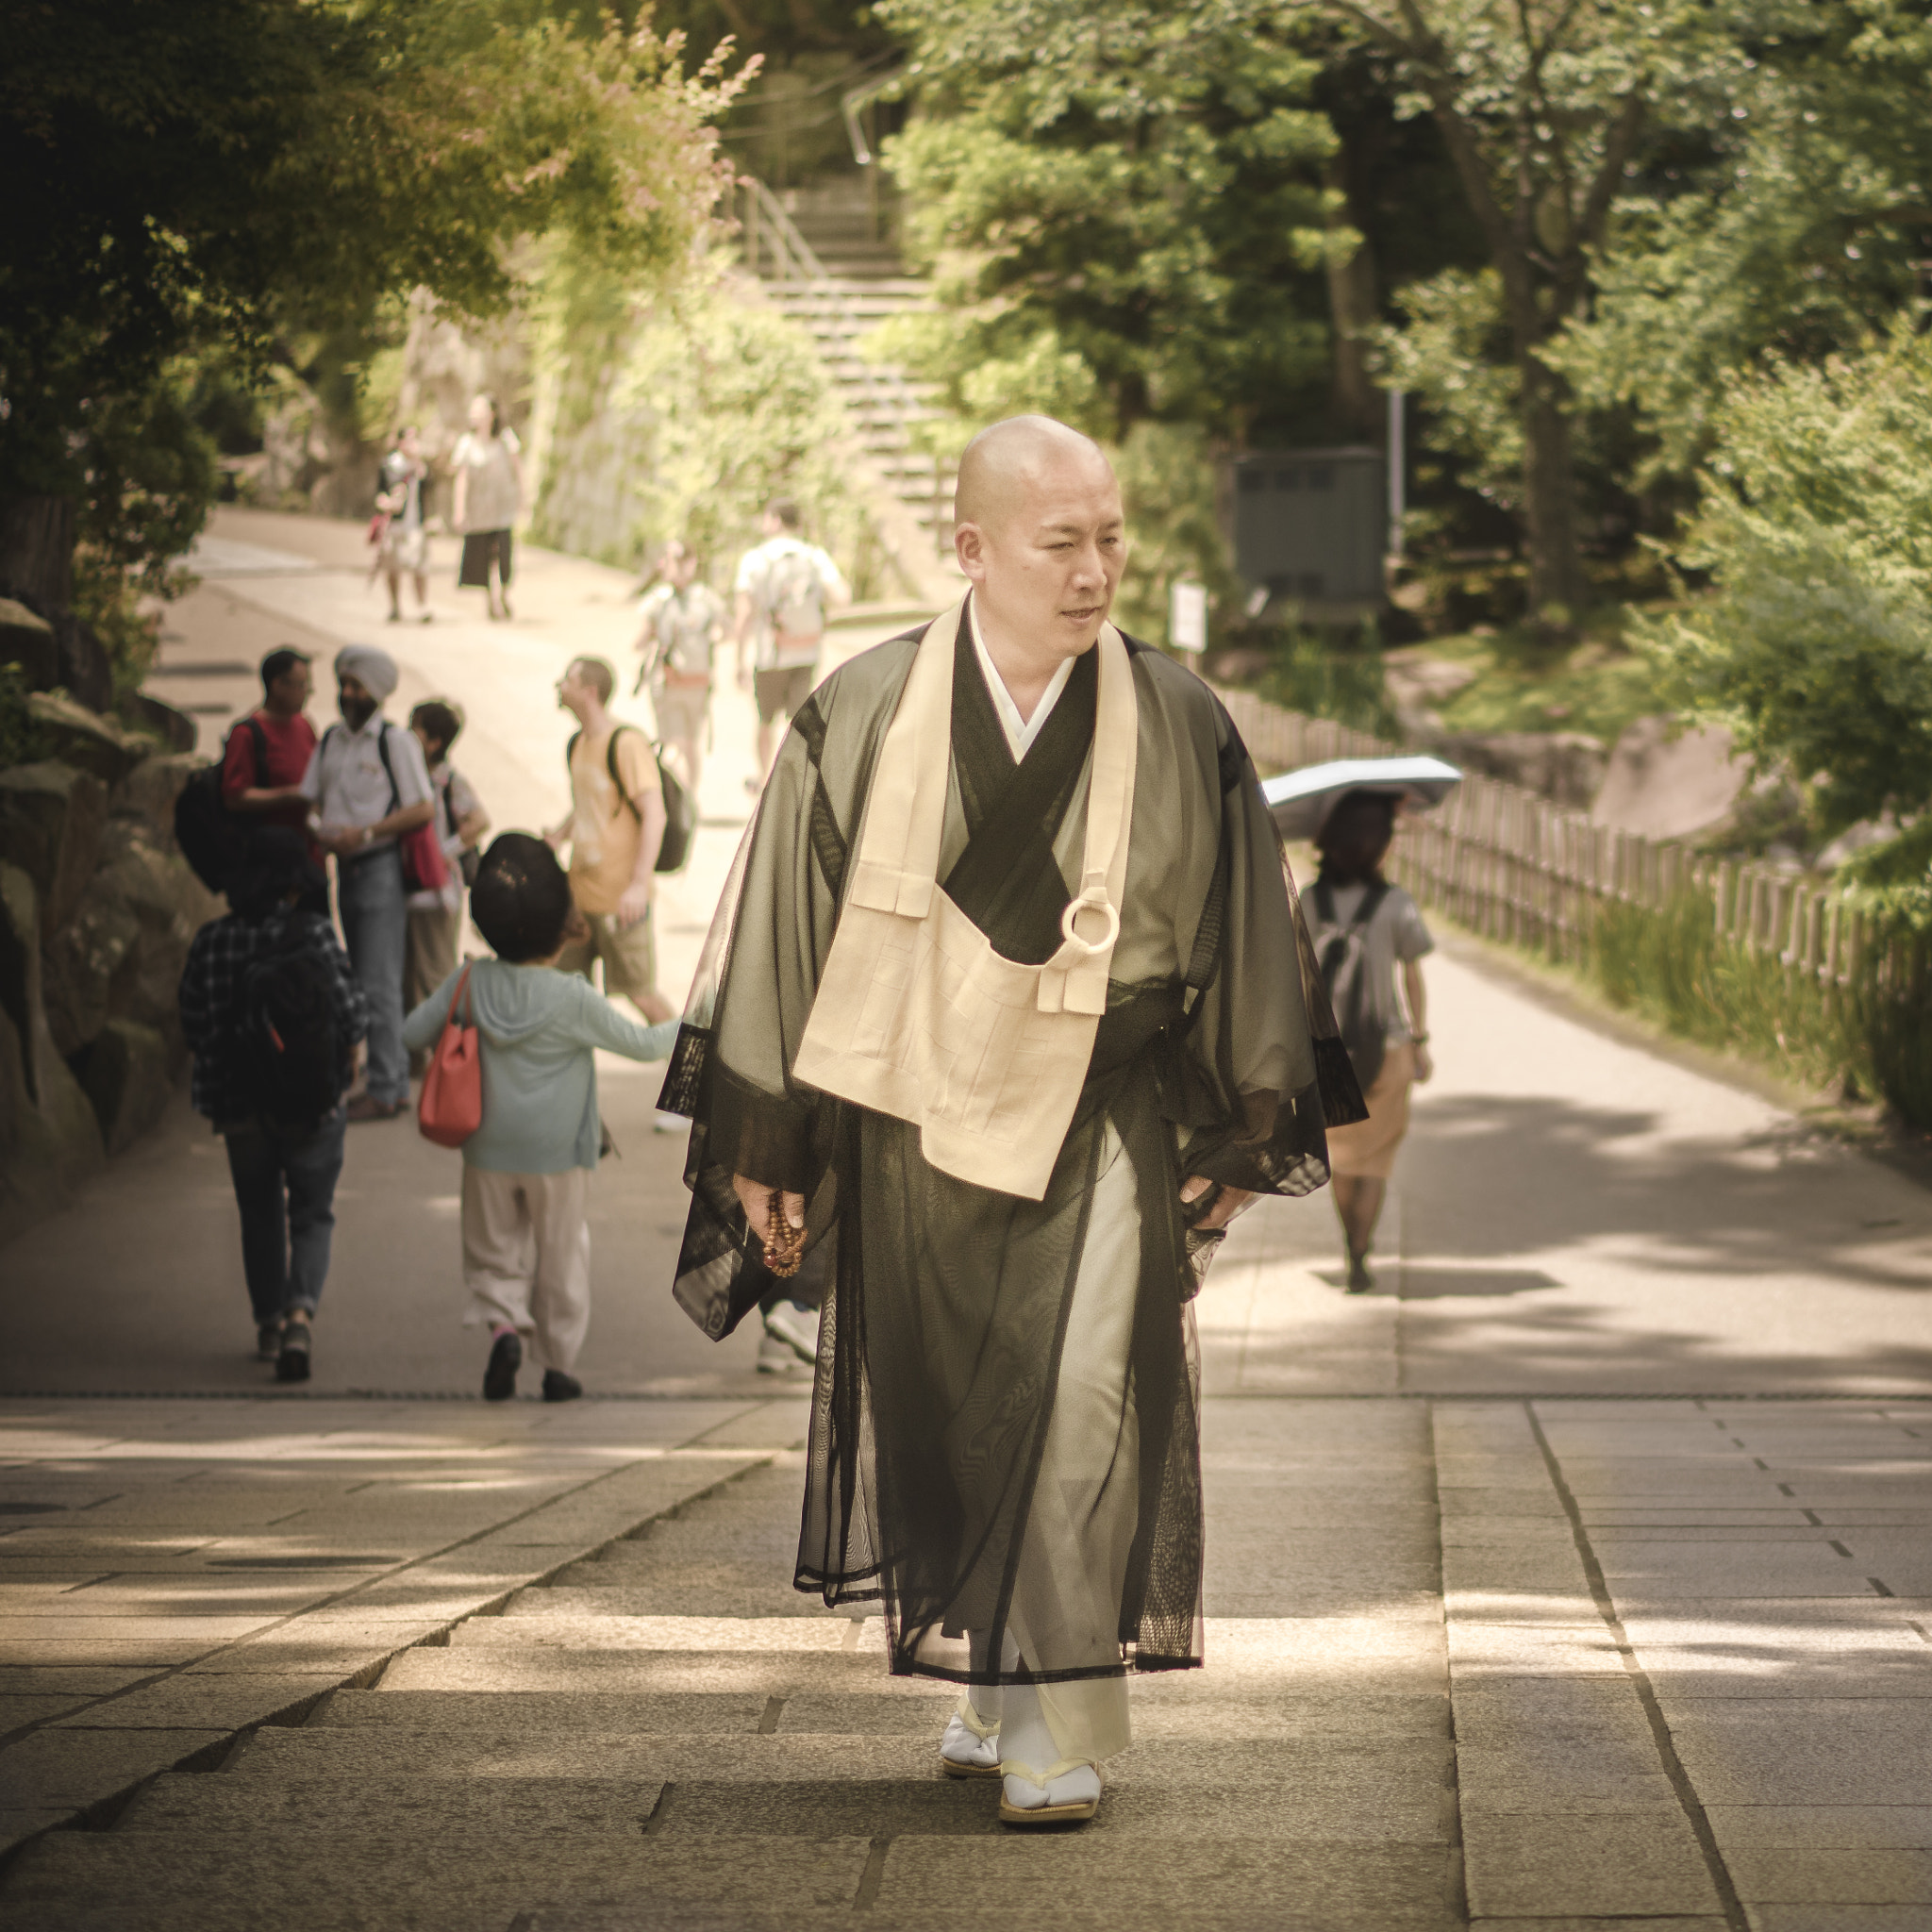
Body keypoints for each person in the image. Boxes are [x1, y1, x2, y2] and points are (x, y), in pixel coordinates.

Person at [664, 416, 1357, 1827]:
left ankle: (1056, 1718)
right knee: (952, 1415)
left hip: (1107, 1108)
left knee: (1088, 1402)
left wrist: (1239, 1136)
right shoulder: (860, 710)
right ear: (972, 550)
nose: (1096, 569)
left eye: (1112, 538)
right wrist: (767, 1142)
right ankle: (996, 1676)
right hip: (915, 1116)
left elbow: (1240, 921)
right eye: (1064, 543)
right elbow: (787, 934)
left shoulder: (1175, 716)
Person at [403, 835, 678, 1402]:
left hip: (485, 1144)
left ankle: (503, 1325)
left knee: (492, 1249)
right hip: (558, 1152)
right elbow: (648, 1045)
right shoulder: (571, 998)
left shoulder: (469, 982)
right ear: (561, 926)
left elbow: (410, 1033)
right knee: (561, 1254)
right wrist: (702, 1012)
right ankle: (557, 1366)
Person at [179, 828, 370, 1383]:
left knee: (258, 1212)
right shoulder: (313, 934)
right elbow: (354, 1012)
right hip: (312, 1100)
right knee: (311, 1211)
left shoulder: (211, 942)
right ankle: (298, 1315)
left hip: (237, 1102)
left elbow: (193, 1023)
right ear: (293, 886)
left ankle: (266, 1321)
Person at [1303, 790, 1435, 1292]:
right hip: (1390, 1048)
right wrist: (1420, 1042)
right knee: (1375, 1161)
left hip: (1329, 1051)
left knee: (1342, 1158)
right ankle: (1362, 1250)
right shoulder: (1396, 903)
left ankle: (1347, 1248)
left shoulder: (1311, 901)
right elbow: (1413, 978)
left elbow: (1297, 975)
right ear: (1378, 846)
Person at [300, 644, 436, 1120]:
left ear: (376, 692)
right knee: (364, 979)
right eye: (345, 685)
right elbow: (310, 798)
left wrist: (368, 833)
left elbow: (423, 807)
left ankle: (386, 1085)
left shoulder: (395, 742)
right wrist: (325, 832)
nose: (347, 694)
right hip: (345, 868)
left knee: (379, 982)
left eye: (356, 686)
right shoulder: (332, 740)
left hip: (379, 867)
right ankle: (387, 1079)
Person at [545, 657, 675, 1026]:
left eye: (567, 680)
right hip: (579, 897)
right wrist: (558, 835)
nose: (559, 687)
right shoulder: (579, 743)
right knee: (568, 995)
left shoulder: (626, 743)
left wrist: (638, 885)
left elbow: (655, 814)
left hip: (621, 902)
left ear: (590, 691)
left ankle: (693, 1072)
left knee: (642, 995)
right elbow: (589, 805)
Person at [731, 498, 849, 786]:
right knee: (799, 718)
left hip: (770, 655)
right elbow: (843, 596)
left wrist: (738, 657)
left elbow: (744, 612)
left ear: (774, 520)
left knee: (765, 719)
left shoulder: (756, 558)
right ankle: (798, 779)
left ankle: (763, 778)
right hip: (806, 652)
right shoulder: (814, 556)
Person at [404, 698, 491, 1052]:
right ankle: (420, 1057)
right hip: (413, 890)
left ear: (434, 742)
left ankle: (453, 1054)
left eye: (415, 728)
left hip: (439, 893)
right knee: (411, 977)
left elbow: (480, 820)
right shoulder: (412, 775)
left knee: (435, 975)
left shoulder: (447, 780)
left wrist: (442, 852)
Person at [636, 538, 726, 798]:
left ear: (689, 564)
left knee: (680, 744)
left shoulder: (667, 599)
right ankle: (687, 798)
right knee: (682, 743)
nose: (663, 563)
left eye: (670, 558)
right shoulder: (696, 598)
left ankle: (681, 798)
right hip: (683, 683)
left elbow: (640, 641)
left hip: (684, 683)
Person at [221, 647, 321, 864]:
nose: (308, 692)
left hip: (308, 856)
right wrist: (290, 795)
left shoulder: (304, 725)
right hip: (269, 858)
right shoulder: (247, 734)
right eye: (302, 684)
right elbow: (235, 797)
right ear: (277, 685)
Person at [451, 393, 522, 621]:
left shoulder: (506, 438)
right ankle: (491, 599)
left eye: (480, 410)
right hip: (478, 511)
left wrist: (524, 499)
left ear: (492, 414)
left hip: (502, 509)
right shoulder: (466, 443)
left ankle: (502, 593)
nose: (475, 415)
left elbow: (518, 471)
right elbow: (461, 478)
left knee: (503, 557)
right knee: (483, 558)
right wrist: (459, 509)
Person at [374, 425, 433, 624]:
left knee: (419, 567)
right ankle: (395, 606)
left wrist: (416, 459)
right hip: (395, 525)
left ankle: (422, 606)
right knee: (393, 567)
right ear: (400, 442)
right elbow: (379, 494)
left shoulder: (417, 466)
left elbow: (427, 481)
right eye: (409, 439)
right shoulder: (389, 464)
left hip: (415, 523)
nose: (413, 444)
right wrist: (388, 503)